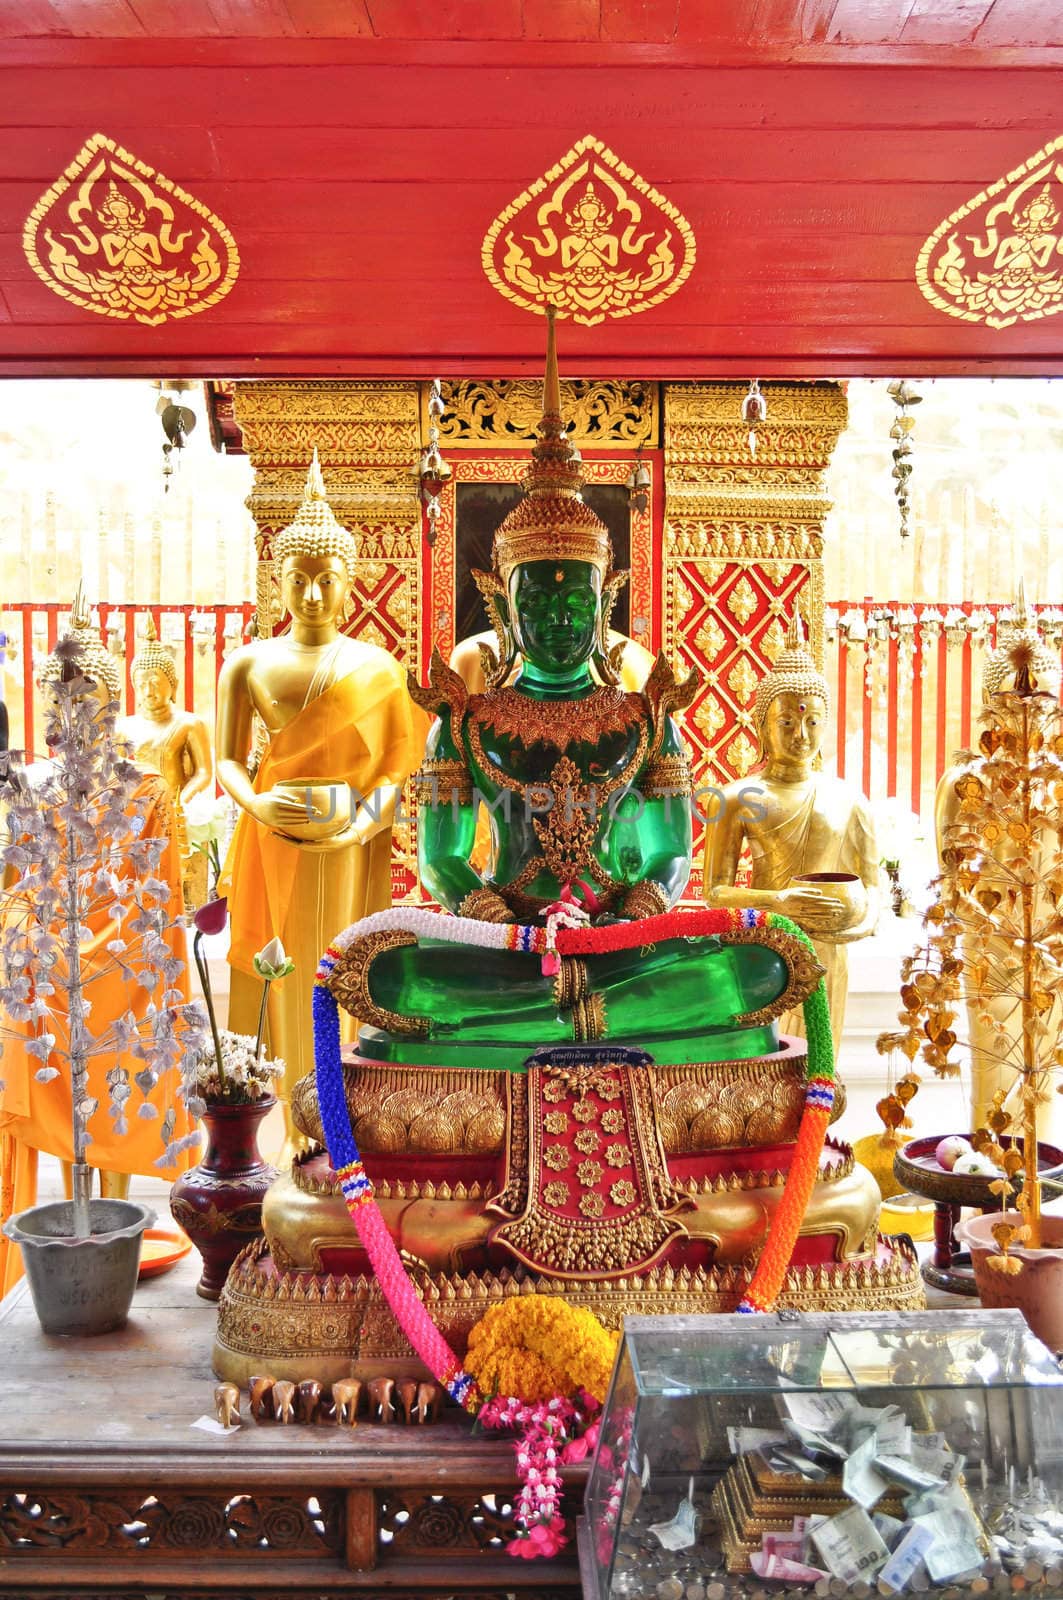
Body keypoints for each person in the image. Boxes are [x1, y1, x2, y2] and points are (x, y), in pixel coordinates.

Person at [216, 453, 428, 1142]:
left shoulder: (375, 667)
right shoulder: (247, 662)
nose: (311, 595)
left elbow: (399, 765)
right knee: (282, 965)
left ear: (348, 589)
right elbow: (225, 758)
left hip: (344, 834)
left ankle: (339, 1106)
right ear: (279, 584)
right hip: (273, 830)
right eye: (298, 581)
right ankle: (289, 1117)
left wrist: (359, 824)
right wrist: (256, 803)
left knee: (336, 961)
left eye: (325, 582)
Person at [0, 592, 194, 1291]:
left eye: (90, 697)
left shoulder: (147, 790)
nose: (76, 712)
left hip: (124, 958)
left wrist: (114, 948)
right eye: (64, 696)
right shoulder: (38, 789)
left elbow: (162, 892)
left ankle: (117, 1216)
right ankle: (61, 1213)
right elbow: (19, 882)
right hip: (52, 962)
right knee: (47, 1066)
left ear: (113, 705)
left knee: (116, 1081)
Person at [702, 610, 880, 1057]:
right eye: (786, 723)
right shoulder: (734, 797)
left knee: (823, 1065)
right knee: (766, 1068)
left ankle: (818, 1130)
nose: (801, 734)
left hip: (828, 950)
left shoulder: (849, 799)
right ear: (762, 726)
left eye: (812, 722)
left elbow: (874, 893)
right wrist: (776, 902)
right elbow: (715, 892)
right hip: (765, 948)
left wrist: (851, 922)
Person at [935, 587, 1063, 1133]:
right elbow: (950, 877)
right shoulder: (965, 780)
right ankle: (992, 1181)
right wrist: (992, 928)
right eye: (1015, 700)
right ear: (992, 706)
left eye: (1040, 700)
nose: (1027, 712)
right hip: (989, 946)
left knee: (1045, 1075)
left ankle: (1043, 1187)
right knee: (997, 1067)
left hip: (1054, 941)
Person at [117, 617, 212, 907]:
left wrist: (183, 798)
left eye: (156, 683)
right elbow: (117, 772)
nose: (149, 691)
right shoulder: (124, 727)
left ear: (173, 684)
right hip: (137, 811)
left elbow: (204, 772)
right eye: (142, 684)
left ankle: (181, 906)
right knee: (133, 866)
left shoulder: (188, 723)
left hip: (176, 810)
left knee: (177, 874)